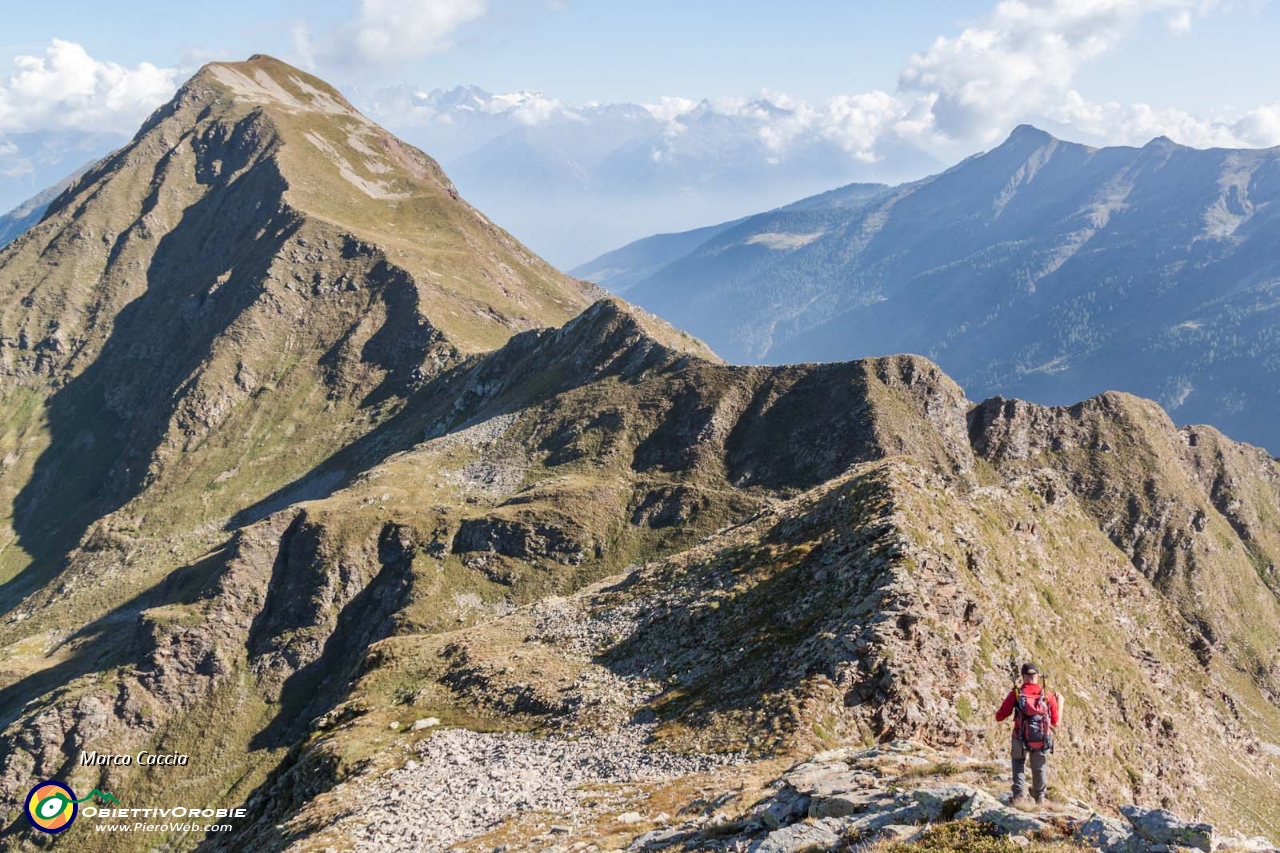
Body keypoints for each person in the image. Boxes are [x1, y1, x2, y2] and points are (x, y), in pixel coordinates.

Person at [995, 663, 1061, 805]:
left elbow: (999, 716)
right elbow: (1056, 722)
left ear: (1023, 676)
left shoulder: (1017, 694)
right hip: (1041, 738)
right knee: (1039, 768)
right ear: (1037, 676)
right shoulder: (1047, 695)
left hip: (1019, 736)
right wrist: (1060, 703)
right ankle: (1040, 797)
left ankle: (1019, 796)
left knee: (1018, 763)